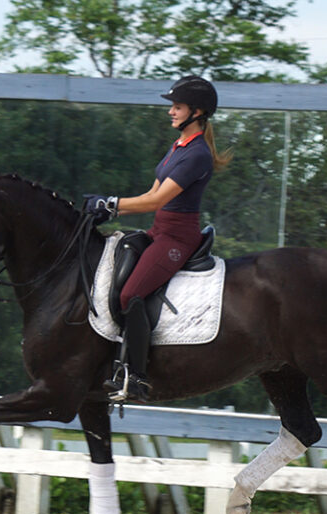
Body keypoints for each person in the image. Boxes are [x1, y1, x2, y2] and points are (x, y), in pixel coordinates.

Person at [84, 75, 232, 402]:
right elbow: (148, 195)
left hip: (178, 239)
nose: (171, 112)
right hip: (158, 231)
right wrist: (111, 210)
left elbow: (156, 201)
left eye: (177, 107)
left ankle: (135, 376)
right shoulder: (177, 148)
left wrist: (112, 202)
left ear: (197, 112)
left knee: (131, 294)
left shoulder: (197, 154)